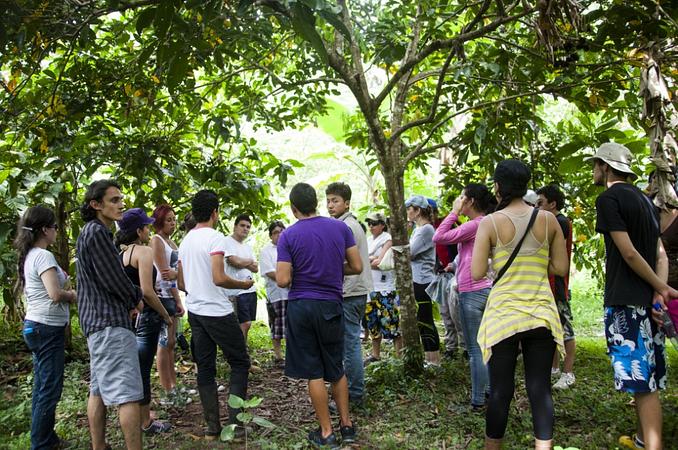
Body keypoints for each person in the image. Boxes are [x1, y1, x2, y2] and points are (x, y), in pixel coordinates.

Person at [471, 160, 568, 450]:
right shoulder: (549, 220)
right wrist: (535, 261)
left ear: (498, 187)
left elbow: (476, 272)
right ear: (527, 184)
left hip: (503, 316)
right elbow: (561, 268)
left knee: (500, 391)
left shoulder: (489, 223)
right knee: (539, 389)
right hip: (540, 313)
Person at [588, 143, 674, 450]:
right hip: (648, 303)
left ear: (606, 167)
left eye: (595, 164)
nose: (593, 170)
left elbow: (629, 253)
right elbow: (660, 255)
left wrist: (660, 290)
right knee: (648, 378)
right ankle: (640, 439)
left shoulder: (609, 199)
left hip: (626, 303)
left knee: (642, 383)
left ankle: (653, 446)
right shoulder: (645, 199)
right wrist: (657, 292)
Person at [276, 182, 362, 448]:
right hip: (331, 305)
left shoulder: (288, 236)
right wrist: (332, 270)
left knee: (314, 371)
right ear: (315, 202)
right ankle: (346, 426)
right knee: (336, 367)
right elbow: (356, 266)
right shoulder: (340, 228)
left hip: (302, 306)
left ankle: (326, 432)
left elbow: (282, 279)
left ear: (293, 209)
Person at [177, 190, 253, 440]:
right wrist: (243, 285)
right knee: (240, 362)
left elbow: (181, 282)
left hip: (196, 311)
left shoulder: (186, 240)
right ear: (214, 213)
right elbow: (219, 277)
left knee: (205, 368)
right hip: (217, 311)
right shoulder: (215, 238)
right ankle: (235, 428)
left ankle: (212, 427)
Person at [76, 180, 145, 450]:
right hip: (110, 324)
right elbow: (113, 278)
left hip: (97, 324)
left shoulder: (89, 233)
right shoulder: (97, 233)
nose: (120, 204)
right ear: (96, 205)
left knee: (98, 389)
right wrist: (135, 297)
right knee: (128, 395)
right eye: (114, 200)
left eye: (120, 199)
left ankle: (99, 445)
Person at [15, 206, 76, 450]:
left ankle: (45, 438)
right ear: (44, 229)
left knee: (43, 386)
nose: (56, 231)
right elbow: (54, 294)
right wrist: (73, 294)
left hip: (37, 326)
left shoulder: (32, 254)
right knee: (49, 388)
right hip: (46, 328)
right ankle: (41, 443)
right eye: (54, 227)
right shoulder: (43, 255)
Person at [433, 184, 494, 410]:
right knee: (486, 345)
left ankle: (478, 401)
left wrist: (454, 212)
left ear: (470, 201)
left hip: (472, 289)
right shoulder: (485, 223)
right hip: (486, 287)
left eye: (462, 197)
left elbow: (439, 236)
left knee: (475, 348)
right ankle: (488, 391)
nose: (458, 200)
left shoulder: (476, 224)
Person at [115, 208, 173, 434]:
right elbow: (148, 291)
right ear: (139, 231)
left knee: (137, 367)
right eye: (146, 227)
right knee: (143, 368)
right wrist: (165, 314)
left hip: (132, 317)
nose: (149, 230)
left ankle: (140, 414)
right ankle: (146, 421)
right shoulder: (144, 251)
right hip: (147, 315)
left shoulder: (121, 253)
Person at [325, 182, 372, 405]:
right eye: (328, 201)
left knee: (350, 343)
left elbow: (346, 263)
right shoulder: (348, 225)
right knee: (349, 342)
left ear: (347, 203)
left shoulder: (347, 227)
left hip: (350, 292)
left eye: (335, 201)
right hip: (354, 291)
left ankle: (354, 394)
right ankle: (352, 390)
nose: (330, 205)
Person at [536, 185, 577, 390]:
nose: (537, 207)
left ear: (552, 204)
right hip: (550, 283)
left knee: (565, 328)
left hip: (558, 285)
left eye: (540, 203)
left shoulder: (559, 222)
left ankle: (568, 372)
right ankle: (553, 368)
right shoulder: (554, 221)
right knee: (553, 328)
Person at [149, 204, 184, 401]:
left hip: (172, 294)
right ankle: (167, 388)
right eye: (168, 219)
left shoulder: (171, 242)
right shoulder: (157, 240)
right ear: (159, 221)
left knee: (171, 342)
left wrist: (178, 296)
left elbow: (176, 272)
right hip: (162, 295)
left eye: (174, 219)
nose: (172, 223)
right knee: (164, 343)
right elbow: (164, 273)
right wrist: (177, 296)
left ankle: (174, 384)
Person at [405, 195, 441, 365]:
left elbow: (409, 252)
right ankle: (429, 358)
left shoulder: (426, 229)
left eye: (409, 208)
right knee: (422, 320)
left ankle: (434, 360)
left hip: (423, 281)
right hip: (418, 279)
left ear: (417, 210)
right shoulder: (418, 229)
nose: (407, 212)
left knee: (425, 320)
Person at [363, 212, 402, 363]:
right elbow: (364, 262)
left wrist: (372, 260)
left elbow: (382, 263)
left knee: (391, 321)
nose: (371, 226)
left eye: (374, 223)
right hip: (370, 288)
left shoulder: (388, 239)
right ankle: (375, 354)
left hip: (385, 287)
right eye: (369, 223)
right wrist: (372, 259)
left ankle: (398, 356)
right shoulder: (368, 240)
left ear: (382, 225)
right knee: (372, 322)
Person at [430, 198, 465, 360]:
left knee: (457, 313)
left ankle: (465, 346)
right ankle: (451, 346)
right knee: (445, 313)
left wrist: (454, 264)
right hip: (440, 275)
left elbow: (462, 248)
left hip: (454, 273)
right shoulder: (424, 229)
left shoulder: (447, 225)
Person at [224, 214, 259, 342]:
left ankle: (242, 347)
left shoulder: (247, 246)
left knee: (247, 323)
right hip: (237, 290)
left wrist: (244, 262)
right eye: (242, 225)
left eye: (248, 227)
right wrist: (249, 261)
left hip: (250, 290)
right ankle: (239, 350)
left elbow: (256, 268)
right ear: (235, 226)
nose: (245, 229)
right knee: (244, 323)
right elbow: (234, 261)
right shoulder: (227, 241)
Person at [259, 220, 289, 364]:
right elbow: (269, 272)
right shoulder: (266, 251)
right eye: (275, 232)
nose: (279, 235)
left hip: (292, 293)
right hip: (276, 294)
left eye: (281, 231)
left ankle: (292, 354)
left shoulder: (290, 248)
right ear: (271, 236)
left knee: (292, 325)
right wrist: (286, 279)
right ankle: (278, 356)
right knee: (277, 325)